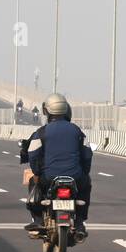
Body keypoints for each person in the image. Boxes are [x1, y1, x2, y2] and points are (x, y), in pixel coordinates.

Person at [23, 93, 92, 236]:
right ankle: (79, 222)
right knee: (87, 184)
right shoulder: (77, 131)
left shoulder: (42, 132)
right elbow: (87, 154)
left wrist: (37, 172)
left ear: (47, 111)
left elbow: (33, 154)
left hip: (49, 177)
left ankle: (38, 220)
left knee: (33, 182)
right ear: (66, 110)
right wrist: (84, 173)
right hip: (75, 176)